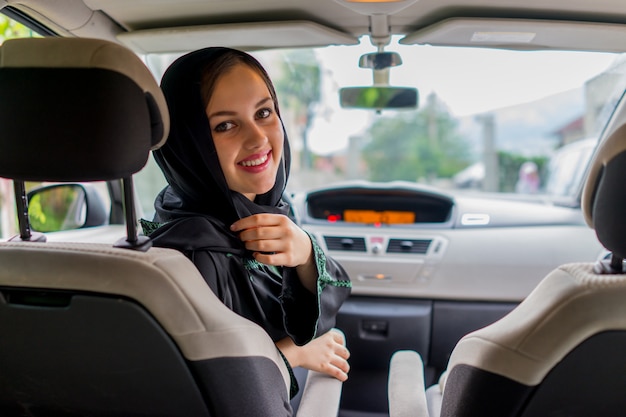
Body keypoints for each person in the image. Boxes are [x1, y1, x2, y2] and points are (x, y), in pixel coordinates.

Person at [140, 47, 352, 394]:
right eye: (225, 125)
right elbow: (218, 393)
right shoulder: (193, 255)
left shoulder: (266, 210)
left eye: (264, 112)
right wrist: (293, 353)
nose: (258, 139)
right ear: (188, 144)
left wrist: (305, 254)